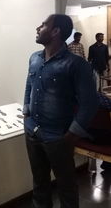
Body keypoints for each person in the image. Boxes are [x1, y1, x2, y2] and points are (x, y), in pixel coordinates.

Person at [23, 14, 98, 208]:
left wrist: (71, 134)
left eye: (44, 25)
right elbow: (29, 85)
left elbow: (89, 103)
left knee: (66, 187)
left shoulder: (76, 64)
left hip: (58, 136)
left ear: (56, 31)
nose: (38, 28)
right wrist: (26, 114)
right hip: (33, 132)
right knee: (39, 183)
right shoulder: (34, 58)